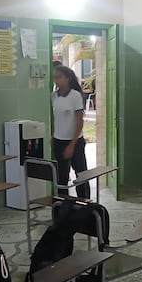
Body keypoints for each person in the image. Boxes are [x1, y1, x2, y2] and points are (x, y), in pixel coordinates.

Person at [52, 65, 90, 198]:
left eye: (59, 77)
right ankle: (63, 206)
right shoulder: (54, 96)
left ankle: (85, 204)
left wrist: (72, 145)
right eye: (54, 78)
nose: (56, 80)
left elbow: (80, 122)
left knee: (81, 175)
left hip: (75, 142)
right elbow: (55, 118)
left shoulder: (75, 96)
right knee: (61, 177)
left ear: (67, 78)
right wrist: (53, 135)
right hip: (59, 141)